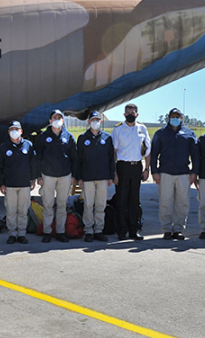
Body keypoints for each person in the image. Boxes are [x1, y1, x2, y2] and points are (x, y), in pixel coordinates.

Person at [151, 108, 199, 240]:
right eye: (172, 116)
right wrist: (154, 171)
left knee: (182, 203)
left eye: (177, 116)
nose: (175, 118)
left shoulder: (189, 133)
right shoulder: (160, 133)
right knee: (165, 202)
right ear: (168, 118)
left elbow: (195, 154)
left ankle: (178, 229)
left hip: (183, 173)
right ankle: (166, 229)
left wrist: (194, 172)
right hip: (165, 173)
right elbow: (154, 153)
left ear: (182, 118)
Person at [36, 110, 78, 243]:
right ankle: (47, 232)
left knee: (62, 205)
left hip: (65, 176)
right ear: (50, 121)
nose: (57, 119)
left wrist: (73, 176)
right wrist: (38, 176)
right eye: (55, 117)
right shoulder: (43, 137)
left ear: (63, 120)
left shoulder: (68, 136)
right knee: (48, 205)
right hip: (48, 176)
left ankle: (60, 231)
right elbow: (37, 157)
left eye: (60, 117)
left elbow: (74, 157)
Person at [111, 104, 151, 240]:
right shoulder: (118, 129)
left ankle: (134, 229)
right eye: (128, 112)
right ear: (124, 114)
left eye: (133, 113)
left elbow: (147, 151)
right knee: (121, 199)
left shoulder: (142, 128)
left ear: (137, 115)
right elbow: (114, 153)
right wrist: (114, 172)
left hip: (136, 167)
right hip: (122, 167)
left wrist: (146, 169)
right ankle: (121, 230)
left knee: (134, 200)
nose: (130, 114)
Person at [0, 121, 38, 244]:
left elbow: (33, 164)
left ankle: (21, 234)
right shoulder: (3, 147)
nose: (14, 131)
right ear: (9, 132)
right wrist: (1, 184)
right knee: (11, 211)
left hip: (24, 184)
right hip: (10, 185)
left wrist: (33, 179)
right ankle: (12, 234)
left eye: (16, 129)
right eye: (11, 129)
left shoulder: (28, 145)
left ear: (21, 131)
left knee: (23, 211)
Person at [76, 112, 115, 242]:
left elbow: (111, 159)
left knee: (100, 205)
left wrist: (111, 176)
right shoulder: (82, 138)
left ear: (101, 122)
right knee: (88, 204)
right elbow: (78, 160)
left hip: (103, 177)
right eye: (93, 119)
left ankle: (99, 229)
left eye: (97, 120)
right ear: (88, 122)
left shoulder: (107, 138)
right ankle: (88, 230)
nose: (95, 122)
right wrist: (79, 177)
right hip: (87, 177)